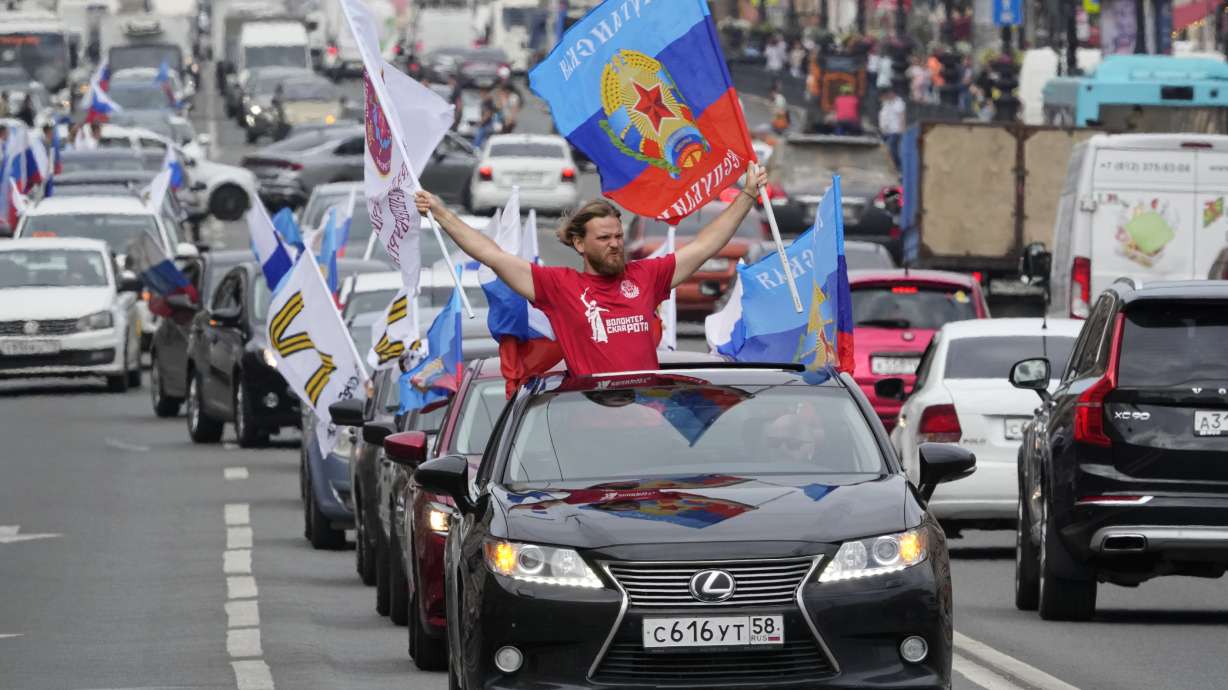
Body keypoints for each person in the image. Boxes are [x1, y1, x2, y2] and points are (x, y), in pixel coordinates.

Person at [413, 164, 769, 376]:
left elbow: (706, 245)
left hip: (646, 413)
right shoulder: (558, 286)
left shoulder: (647, 276)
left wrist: (748, 195)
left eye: (618, 236)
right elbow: (492, 254)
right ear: (579, 244)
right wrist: (442, 213)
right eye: (604, 238)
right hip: (590, 418)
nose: (615, 243)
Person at [878, 88, 906, 170]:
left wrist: (902, 129)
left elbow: (902, 116)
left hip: (895, 130)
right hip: (886, 131)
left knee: (892, 149)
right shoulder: (886, 103)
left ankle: (898, 167)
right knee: (883, 149)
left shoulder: (899, 103)